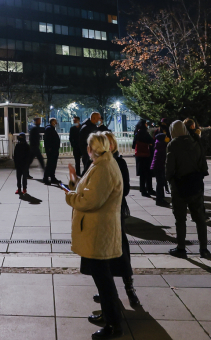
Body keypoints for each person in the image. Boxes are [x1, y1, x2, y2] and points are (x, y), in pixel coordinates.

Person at [63, 131, 124, 339]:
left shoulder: (104, 167)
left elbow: (91, 200)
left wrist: (70, 197)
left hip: (99, 230)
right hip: (97, 229)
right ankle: (109, 316)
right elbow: (90, 189)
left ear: (91, 148)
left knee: (104, 280)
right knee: (102, 277)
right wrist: (74, 181)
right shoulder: (101, 164)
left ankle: (114, 324)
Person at [103, 131, 140, 307]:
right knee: (102, 252)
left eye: (108, 143)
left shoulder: (119, 162)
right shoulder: (95, 163)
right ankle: (106, 287)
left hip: (116, 211)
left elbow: (125, 190)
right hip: (100, 213)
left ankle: (129, 287)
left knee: (120, 248)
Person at [165, 120, 211, 258]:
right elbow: (204, 165)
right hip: (196, 184)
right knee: (200, 218)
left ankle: (181, 248)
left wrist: (170, 179)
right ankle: (204, 249)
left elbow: (169, 168)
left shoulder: (173, 144)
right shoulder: (195, 141)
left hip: (179, 186)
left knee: (180, 219)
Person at [149, 120, 169, 206]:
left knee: (160, 183)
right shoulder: (161, 146)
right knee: (160, 183)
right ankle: (159, 200)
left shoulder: (159, 144)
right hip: (159, 166)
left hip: (158, 166)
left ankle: (160, 198)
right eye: (165, 137)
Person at [133, 120, 154, 196]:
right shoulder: (146, 133)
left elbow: (133, 145)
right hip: (147, 155)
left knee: (142, 174)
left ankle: (143, 190)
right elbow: (151, 141)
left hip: (139, 156)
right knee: (148, 173)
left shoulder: (137, 133)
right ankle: (149, 189)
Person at [42, 118, 62, 185]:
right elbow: (47, 140)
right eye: (55, 121)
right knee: (50, 164)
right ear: (52, 122)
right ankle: (46, 178)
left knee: (53, 164)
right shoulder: (49, 129)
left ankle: (52, 177)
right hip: (52, 150)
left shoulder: (51, 129)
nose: (56, 122)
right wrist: (49, 148)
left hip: (54, 149)